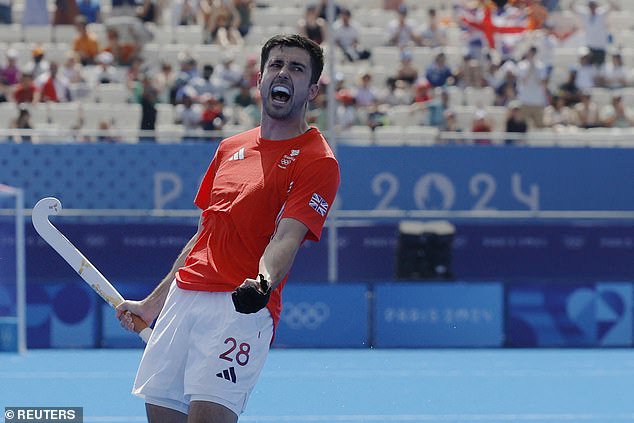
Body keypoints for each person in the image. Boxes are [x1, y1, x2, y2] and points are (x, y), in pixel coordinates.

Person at [116, 34, 340, 422]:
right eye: (276, 65)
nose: (283, 72)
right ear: (260, 79)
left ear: (312, 90)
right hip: (183, 302)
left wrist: (262, 281)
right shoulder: (229, 147)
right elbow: (204, 234)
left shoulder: (318, 159)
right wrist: (153, 305)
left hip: (240, 306)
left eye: (296, 68)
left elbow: (287, 236)